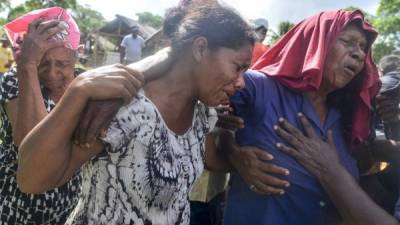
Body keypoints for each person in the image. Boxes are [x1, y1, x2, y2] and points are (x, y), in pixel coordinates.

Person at [17, 1, 255, 225]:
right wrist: (77, 92)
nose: (241, 82)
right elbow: (31, 180)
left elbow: (208, 158)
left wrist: (237, 155)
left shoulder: (204, 112)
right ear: (201, 48)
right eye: (237, 67)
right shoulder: (124, 108)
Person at [220, 9, 380, 225]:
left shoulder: (346, 118)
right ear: (316, 43)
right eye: (347, 41)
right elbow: (204, 112)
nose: (359, 54)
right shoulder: (259, 87)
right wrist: (231, 150)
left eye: (363, 47)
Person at [0, 7, 82, 224]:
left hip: (70, 206)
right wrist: (27, 66)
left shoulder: (85, 84)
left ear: (77, 53)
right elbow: (32, 146)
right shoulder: (16, 79)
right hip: (20, 206)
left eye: (63, 64)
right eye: (43, 64)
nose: (53, 73)